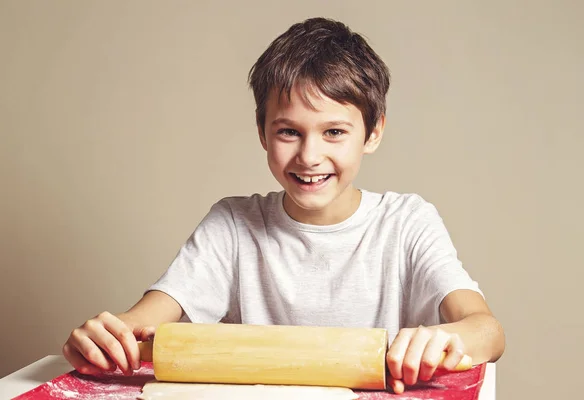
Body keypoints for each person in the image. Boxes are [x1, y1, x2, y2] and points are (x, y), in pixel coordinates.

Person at [63, 17, 505, 394]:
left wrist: (444, 339)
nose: (309, 156)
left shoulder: (407, 223)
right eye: (288, 131)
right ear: (262, 132)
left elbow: (487, 330)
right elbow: (145, 321)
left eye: (334, 132)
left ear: (373, 133)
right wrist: (108, 337)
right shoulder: (234, 224)